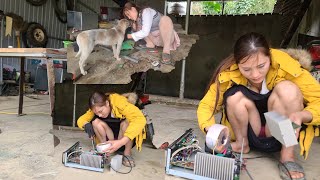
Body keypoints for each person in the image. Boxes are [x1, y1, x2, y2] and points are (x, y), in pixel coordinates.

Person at [197, 32, 320, 180]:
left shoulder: (287, 66)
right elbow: (206, 106)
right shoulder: (230, 73)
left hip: (278, 132)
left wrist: (301, 115)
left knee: (288, 89)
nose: (255, 74)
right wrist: (211, 129)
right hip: (249, 130)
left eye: (261, 66)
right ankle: (242, 144)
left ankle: (287, 156)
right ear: (238, 63)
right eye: (247, 69)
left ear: (270, 57)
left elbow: (317, 99)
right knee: (234, 96)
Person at [77, 92, 146, 167]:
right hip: (109, 136)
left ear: (107, 103)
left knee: (127, 123)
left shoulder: (120, 103)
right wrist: (85, 124)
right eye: (96, 113)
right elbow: (81, 119)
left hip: (123, 137)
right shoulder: (95, 107)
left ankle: (127, 153)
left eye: (101, 111)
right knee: (95, 122)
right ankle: (105, 151)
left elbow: (140, 119)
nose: (99, 115)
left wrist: (121, 142)